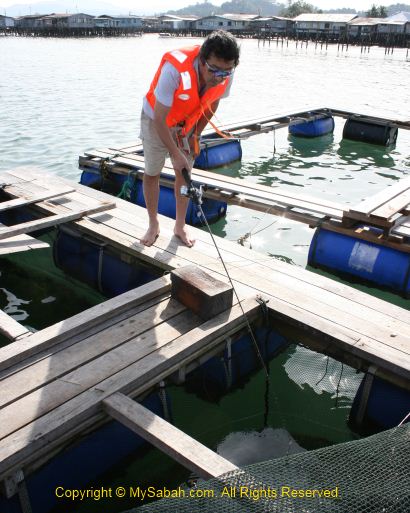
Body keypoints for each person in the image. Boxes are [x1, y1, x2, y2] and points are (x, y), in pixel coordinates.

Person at [140, 30, 240, 247]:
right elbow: (159, 118)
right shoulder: (174, 70)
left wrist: (196, 133)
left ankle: (180, 225)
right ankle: (153, 223)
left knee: (185, 176)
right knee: (152, 172)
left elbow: (214, 102)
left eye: (225, 72)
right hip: (156, 119)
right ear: (202, 61)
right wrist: (175, 153)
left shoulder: (226, 73)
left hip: (187, 123)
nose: (218, 77)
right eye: (213, 70)